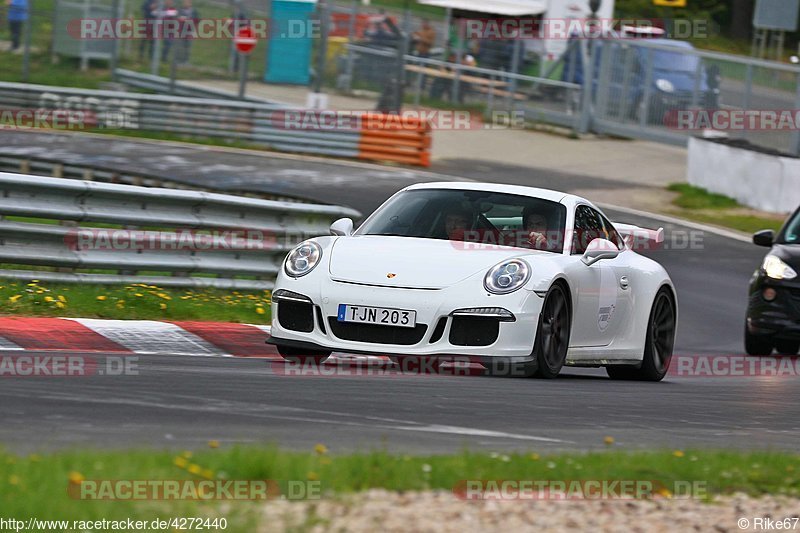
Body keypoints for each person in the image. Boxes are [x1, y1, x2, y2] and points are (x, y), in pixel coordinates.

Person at [176, 0, 198, 65]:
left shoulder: (194, 11)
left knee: (187, 48)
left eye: (188, 2)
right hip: (181, 32)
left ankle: (186, 61)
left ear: (190, 3)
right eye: (185, 2)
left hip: (190, 32)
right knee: (180, 47)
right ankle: (178, 61)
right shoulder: (180, 11)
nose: (186, 3)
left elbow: (197, 21)